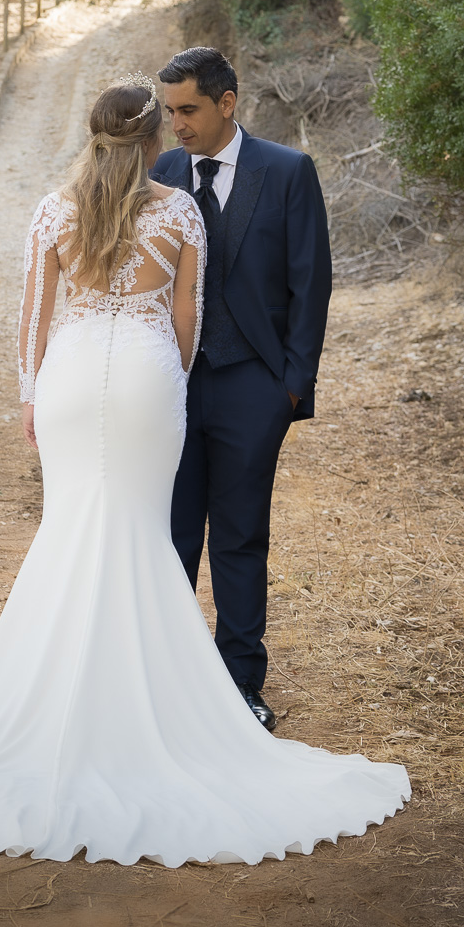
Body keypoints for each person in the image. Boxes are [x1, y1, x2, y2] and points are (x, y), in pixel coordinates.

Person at [0, 76, 408, 865]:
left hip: (72, 382)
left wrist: (31, 398)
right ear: (152, 143)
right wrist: (166, 385)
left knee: (70, 533)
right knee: (144, 536)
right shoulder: (177, 211)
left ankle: (59, 709)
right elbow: (188, 324)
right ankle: (153, 710)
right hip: (149, 383)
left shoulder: (52, 209)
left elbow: (32, 319)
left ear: (92, 136)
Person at [152, 47, 331, 732]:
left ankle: (238, 688)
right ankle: (164, 680)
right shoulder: (164, 172)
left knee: (239, 536)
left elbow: (311, 284)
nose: (177, 125)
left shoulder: (287, 172)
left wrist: (290, 387)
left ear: (227, 102)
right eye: (169, 111)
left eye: (188, 109)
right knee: (167, 535)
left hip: (255, 388)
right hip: (170, 389)